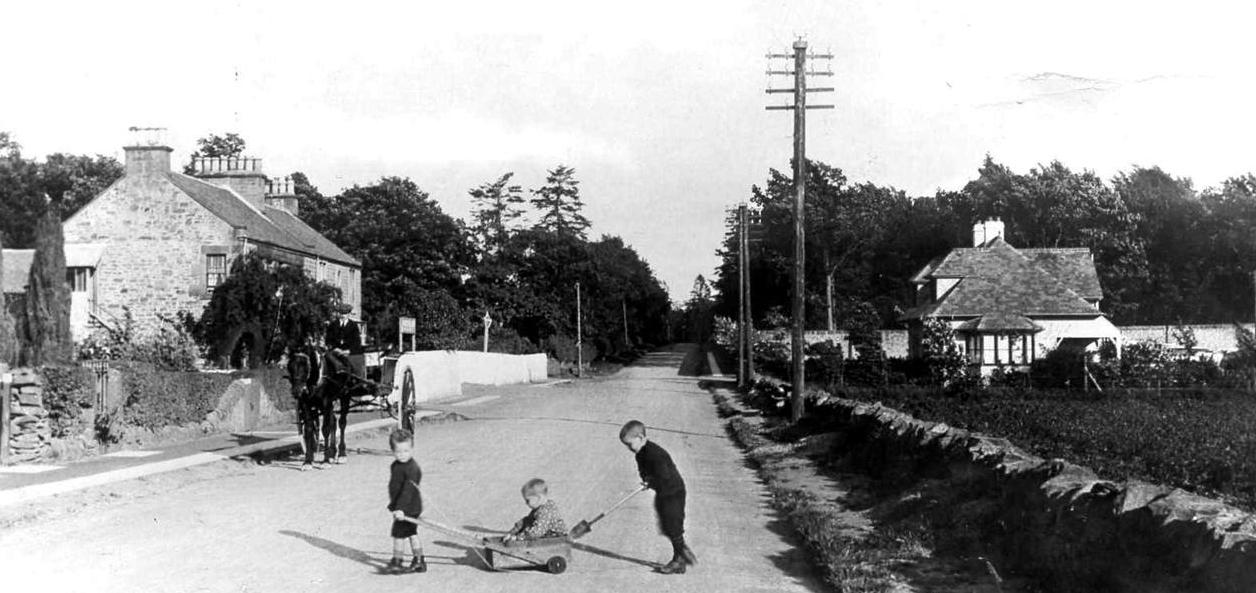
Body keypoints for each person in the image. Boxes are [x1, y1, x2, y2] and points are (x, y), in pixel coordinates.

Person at [620, 420, 697, 574]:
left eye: (630, 444)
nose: (629, 448)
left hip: (673, 492)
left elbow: (664, 476)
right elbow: (643, 471)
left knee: (673, 525)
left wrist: (651, 482)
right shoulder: (640, 454)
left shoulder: (655, 454)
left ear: (641, 438)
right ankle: (682, 551)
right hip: (663, 492)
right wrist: (646, 479)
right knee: (666, 525)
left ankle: (679, 559)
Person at [386, 428, 426, 574]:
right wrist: (394, 505)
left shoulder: (412, 468)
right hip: (403, 507)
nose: (402, 455)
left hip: (409, 507)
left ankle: (397, 561)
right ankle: (419, 560)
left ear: (412, 449)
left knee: (398, 534)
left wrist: (401, 509)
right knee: (411, 533)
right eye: (398, 451)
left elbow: (408, 491)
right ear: (392, 451)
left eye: (406, 451)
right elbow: (395, 487)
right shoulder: (395, 466)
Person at [503, 478, 567, 543]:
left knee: (530, 531)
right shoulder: (538, 508)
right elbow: (526, 521)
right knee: (528, 525)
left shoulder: (546, 511)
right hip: (544, 535)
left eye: (528, 500)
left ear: (539, 498)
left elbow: (537, 531)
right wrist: (512, 532)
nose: (526, 503)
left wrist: (518, 537)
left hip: (556, 539)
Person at [324, 305, 362, 378]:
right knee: (327, 358)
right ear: (339, 314)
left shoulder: (353, 326)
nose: (343, 316)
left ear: (348, 314)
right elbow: (328, 340)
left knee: (353, 365)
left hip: (349, 352)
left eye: (345, 313)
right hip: (335, 352)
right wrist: (334, 349)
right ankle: (337, 371)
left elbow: (357, 342)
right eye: (341, 313)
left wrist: (348, 351)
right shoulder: (333, 325)